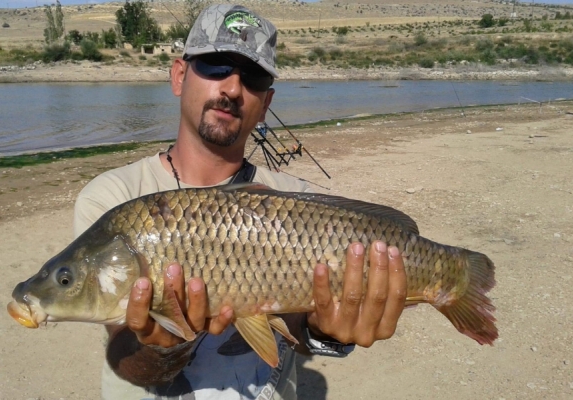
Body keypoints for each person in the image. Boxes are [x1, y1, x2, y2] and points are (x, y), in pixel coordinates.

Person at [73, 4, 407, 400]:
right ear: (179, 75)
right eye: (215, 66)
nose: (231, 89)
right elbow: (126, 356)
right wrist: (165, 346)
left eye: (252, 77)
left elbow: (301, 327)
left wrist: (325, 333)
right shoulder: (113, 199)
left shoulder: (296, 200)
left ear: (266, 103)